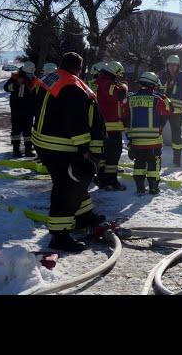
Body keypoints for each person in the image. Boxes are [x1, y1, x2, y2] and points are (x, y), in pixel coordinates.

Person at [32, 52, 106, 252]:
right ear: (79, 68)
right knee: (66, 187)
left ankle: (83, 216)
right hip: (60, 146)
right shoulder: (72, 87)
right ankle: (59, 235)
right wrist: (84, 150)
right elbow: (76, 122)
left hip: (44, 141)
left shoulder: (50, 78)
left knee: (77, 181)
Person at [122, 71, 171, 195]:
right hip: (153, 141)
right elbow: (167, 112)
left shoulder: (130, 99)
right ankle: (153, 188)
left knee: (139, 164)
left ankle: (140, 188)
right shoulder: (157, 100)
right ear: (153, 85)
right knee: (153, 166)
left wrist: (130, 136)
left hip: (136, 142)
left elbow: (125, 118)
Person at [95, 61, 128, 191]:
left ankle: (103, 180)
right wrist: (124, 85)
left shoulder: (101, 82)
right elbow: (120, 94)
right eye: (119, 76)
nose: (119, 79)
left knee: (105, 155)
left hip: (104, 125)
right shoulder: (107, 83)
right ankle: (111, 181)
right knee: (114, 154)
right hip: (110, 126)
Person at [3, 61, 38, 158]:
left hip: (29, 110)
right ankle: (16, 150)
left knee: (28, 132)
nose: (30, 74)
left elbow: (35, 95)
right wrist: (16, 84)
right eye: (29, 72)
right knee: (16, 131)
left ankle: (28, 150)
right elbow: (6, 88)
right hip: (17, 109)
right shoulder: (16, 77)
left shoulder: (33, 79)